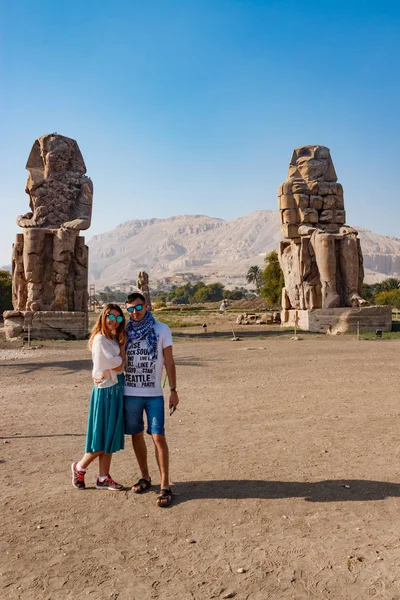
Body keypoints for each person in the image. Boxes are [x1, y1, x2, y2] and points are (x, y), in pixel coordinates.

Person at [123, 292, 179, 507]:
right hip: (131, 392)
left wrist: (173, 390)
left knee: (158, 437)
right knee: (136, 435)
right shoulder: (125, 331)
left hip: (154, 393)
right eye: (130, 309)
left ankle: (165, 485)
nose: (134, 312)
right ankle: (145, 476)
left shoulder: (162, 329)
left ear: (146, 306)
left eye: (138, 307)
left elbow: (169, 362)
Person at [71, 303, 126, 491]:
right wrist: (123, 350)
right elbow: (118, 365)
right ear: (103, 316)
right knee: (102, 437)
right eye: (111, 316)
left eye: (118, 318)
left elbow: (117, 366)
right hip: (106, 392)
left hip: (115, 388)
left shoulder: (111, 338)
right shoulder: (101, 339)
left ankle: (103, 477)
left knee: (109, 436)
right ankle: (80, 467)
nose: (114, 321)